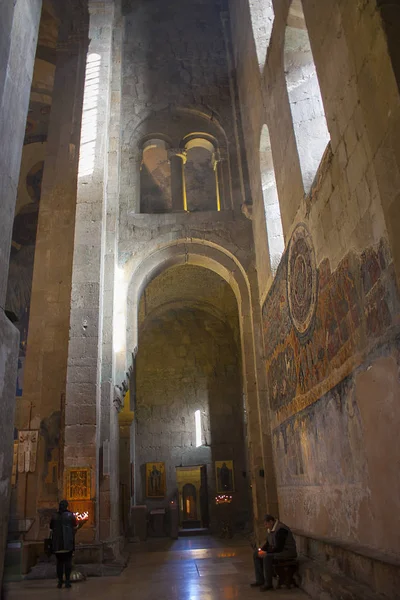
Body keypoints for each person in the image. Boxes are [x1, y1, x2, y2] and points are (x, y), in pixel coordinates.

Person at [251, 514, 297, 591]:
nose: (265, 526)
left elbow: (279, 548)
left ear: (271, 522)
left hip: (287, 552)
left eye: (266, 524)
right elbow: (268, 543)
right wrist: (261, 550)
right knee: (256, 554)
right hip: (278, 551)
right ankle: (260, 580)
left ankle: (268, 584)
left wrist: (266, 553)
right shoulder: (271, 529)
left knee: (267, 557)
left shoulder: (281, 529)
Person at [50, 500, 81, 588]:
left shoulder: (54, 515)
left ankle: (60, 582)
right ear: (67, 506)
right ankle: (67, 581)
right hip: (67, 543)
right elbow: (75, 525)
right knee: (68, 562)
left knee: (59, 563)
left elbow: (51, 527)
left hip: (57, 544)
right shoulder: (70, 515)